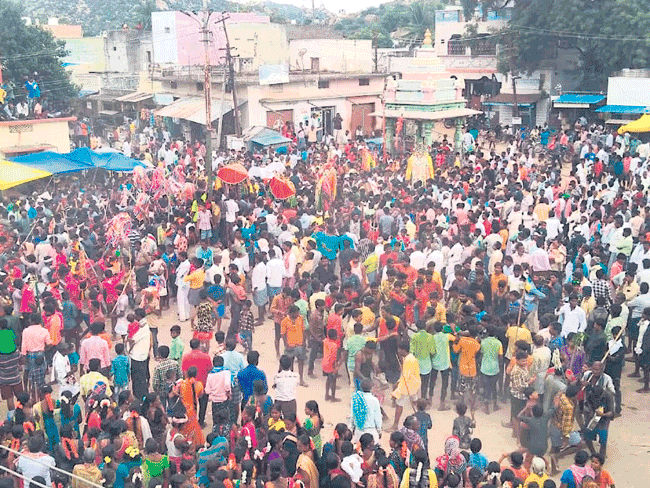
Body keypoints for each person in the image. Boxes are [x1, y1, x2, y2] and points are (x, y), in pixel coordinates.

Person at [390, 341, 420, 431]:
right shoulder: (409, 358)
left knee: (399, 404)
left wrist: (397, 387)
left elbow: (405, 377)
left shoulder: (408, 360)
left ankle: (395, 425)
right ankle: (420, 420)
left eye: (399, 349)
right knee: (415, 402)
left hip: (408, 385)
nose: (398, 350)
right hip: (414, 384)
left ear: (403, 350)